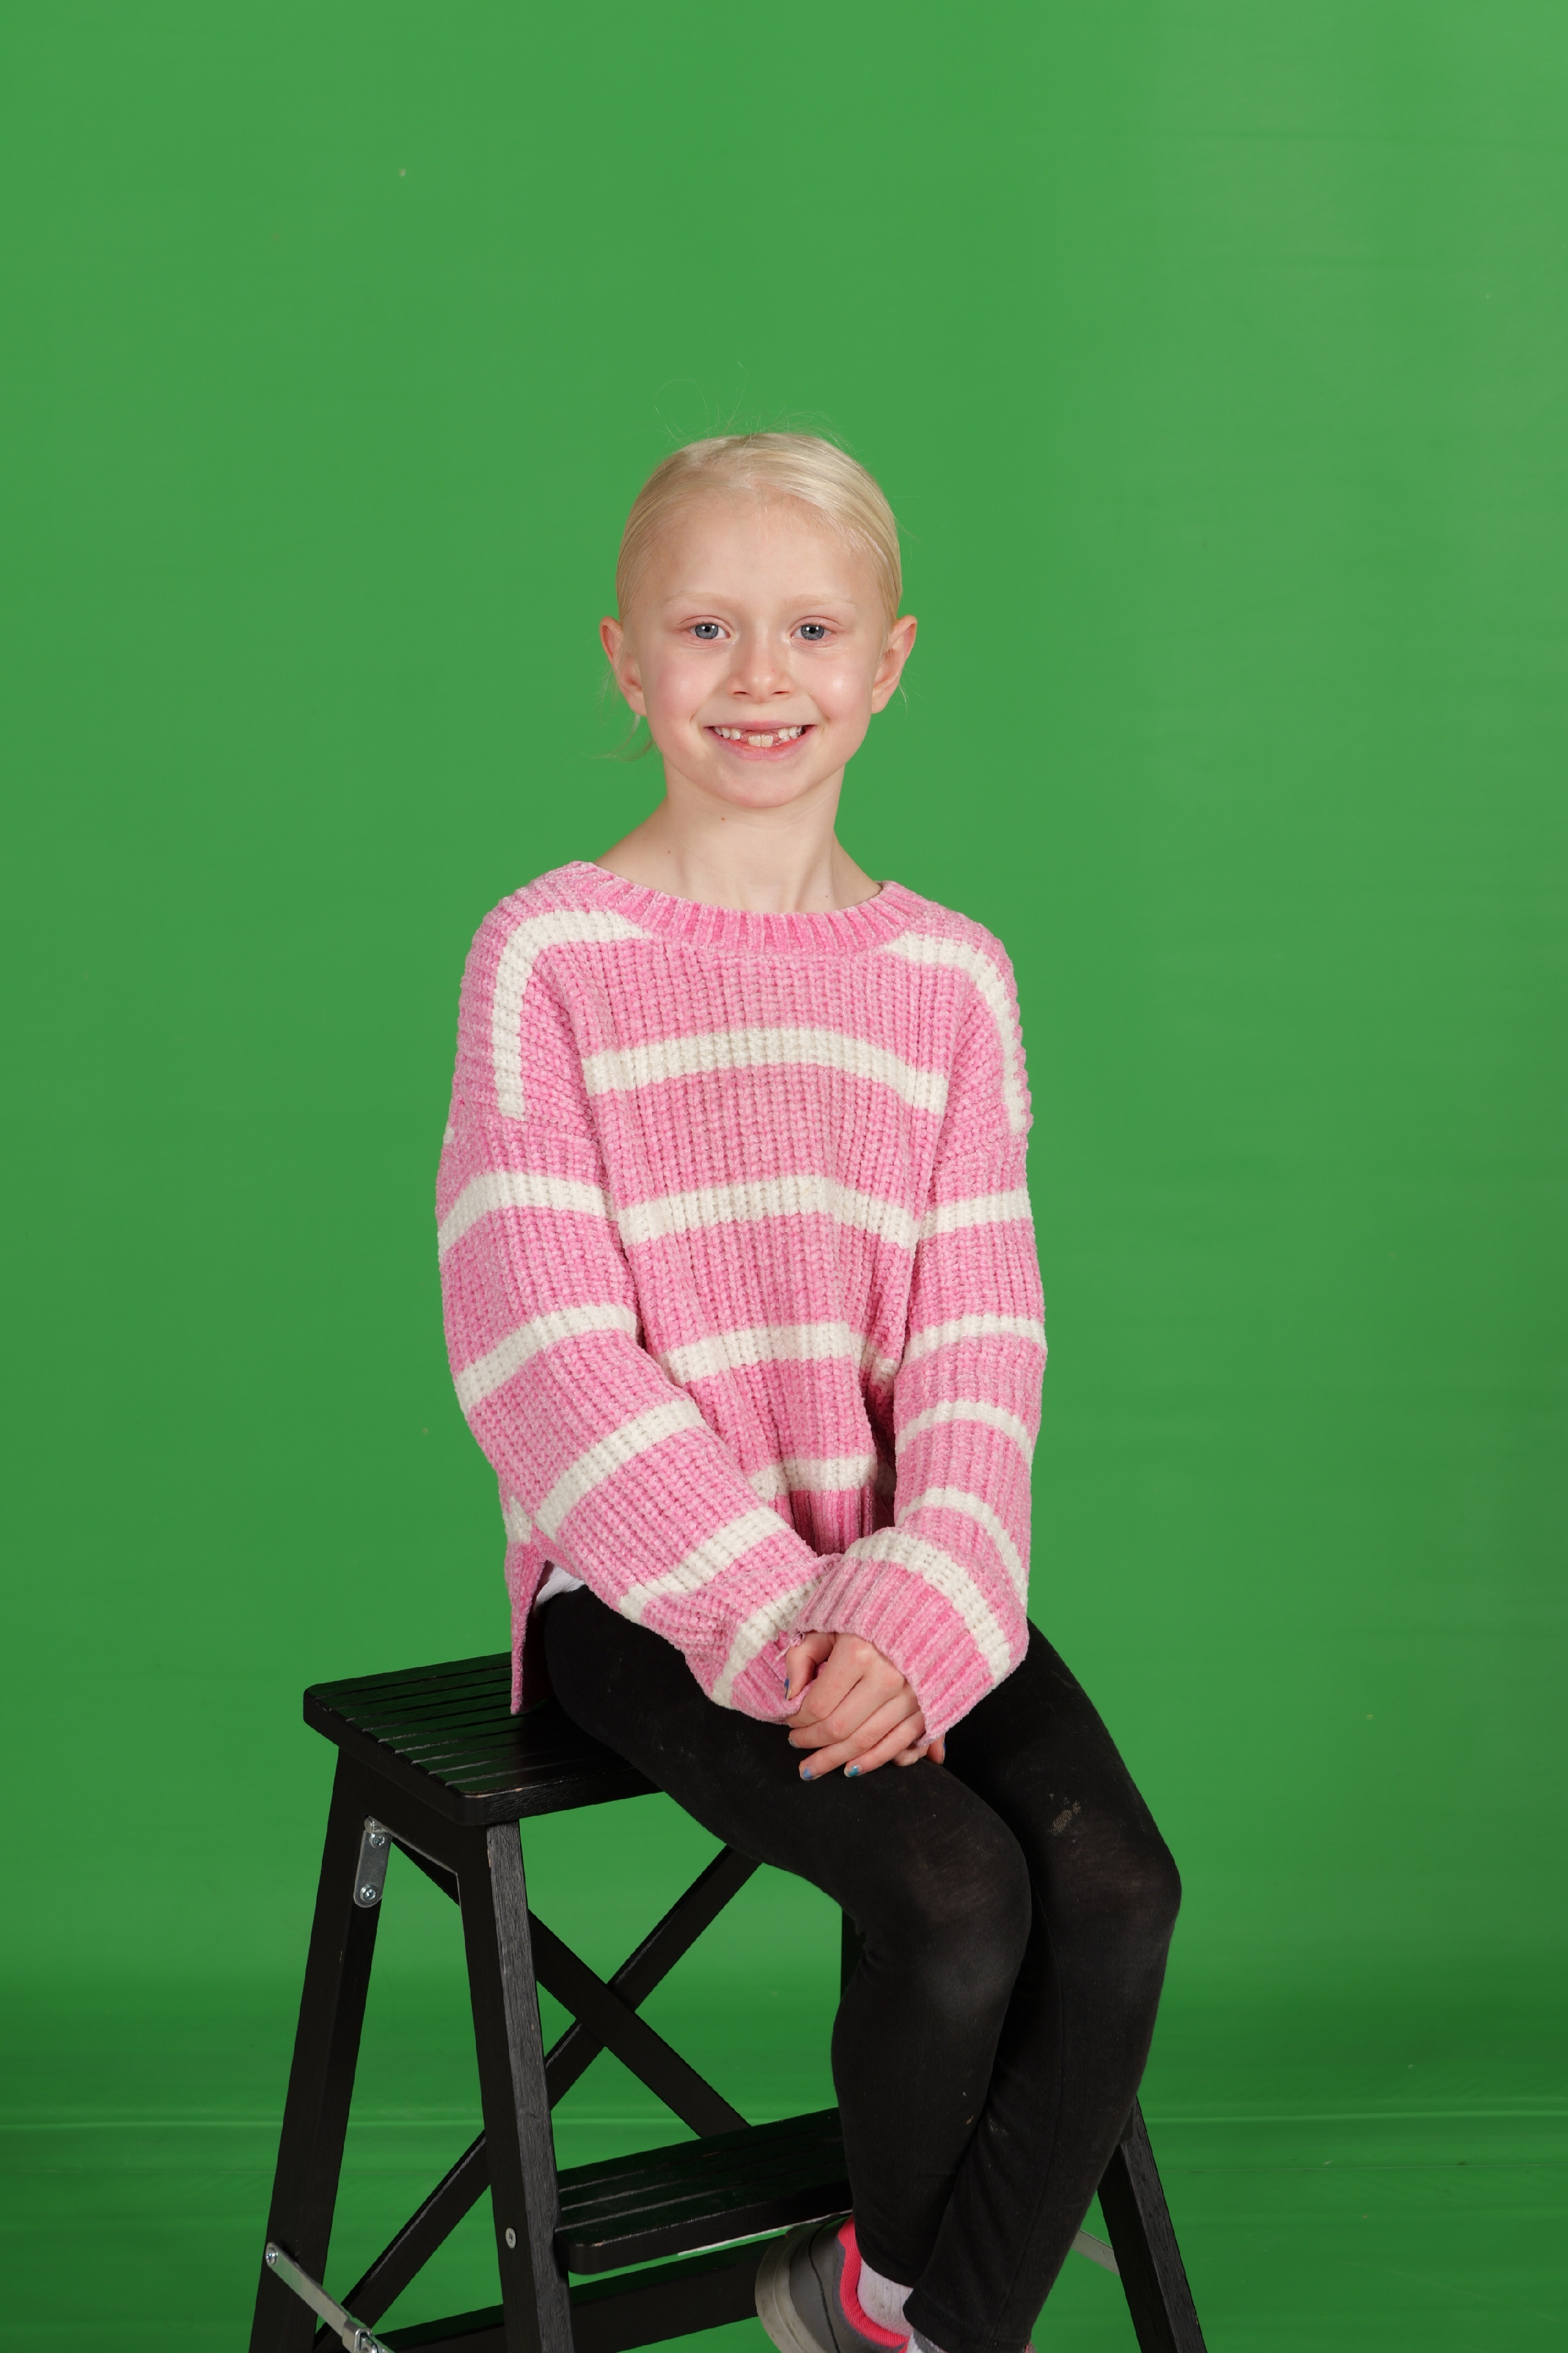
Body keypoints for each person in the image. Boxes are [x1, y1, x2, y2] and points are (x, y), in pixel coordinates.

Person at [436, 433, 1181, 2353]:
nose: (758, 675)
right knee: (952, 1892)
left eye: (810, 630)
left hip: (900, 1578)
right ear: (626, 660)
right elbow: (545, 1355)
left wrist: (922, 1607)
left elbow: (980, 1338)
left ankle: (894, 2311)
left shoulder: (947, 977)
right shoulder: (550, 954)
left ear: (888, 662)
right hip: (649, 1597)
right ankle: (931, 2316)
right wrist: (779, 1629)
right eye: (705, 628)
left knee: (1114, 1893)